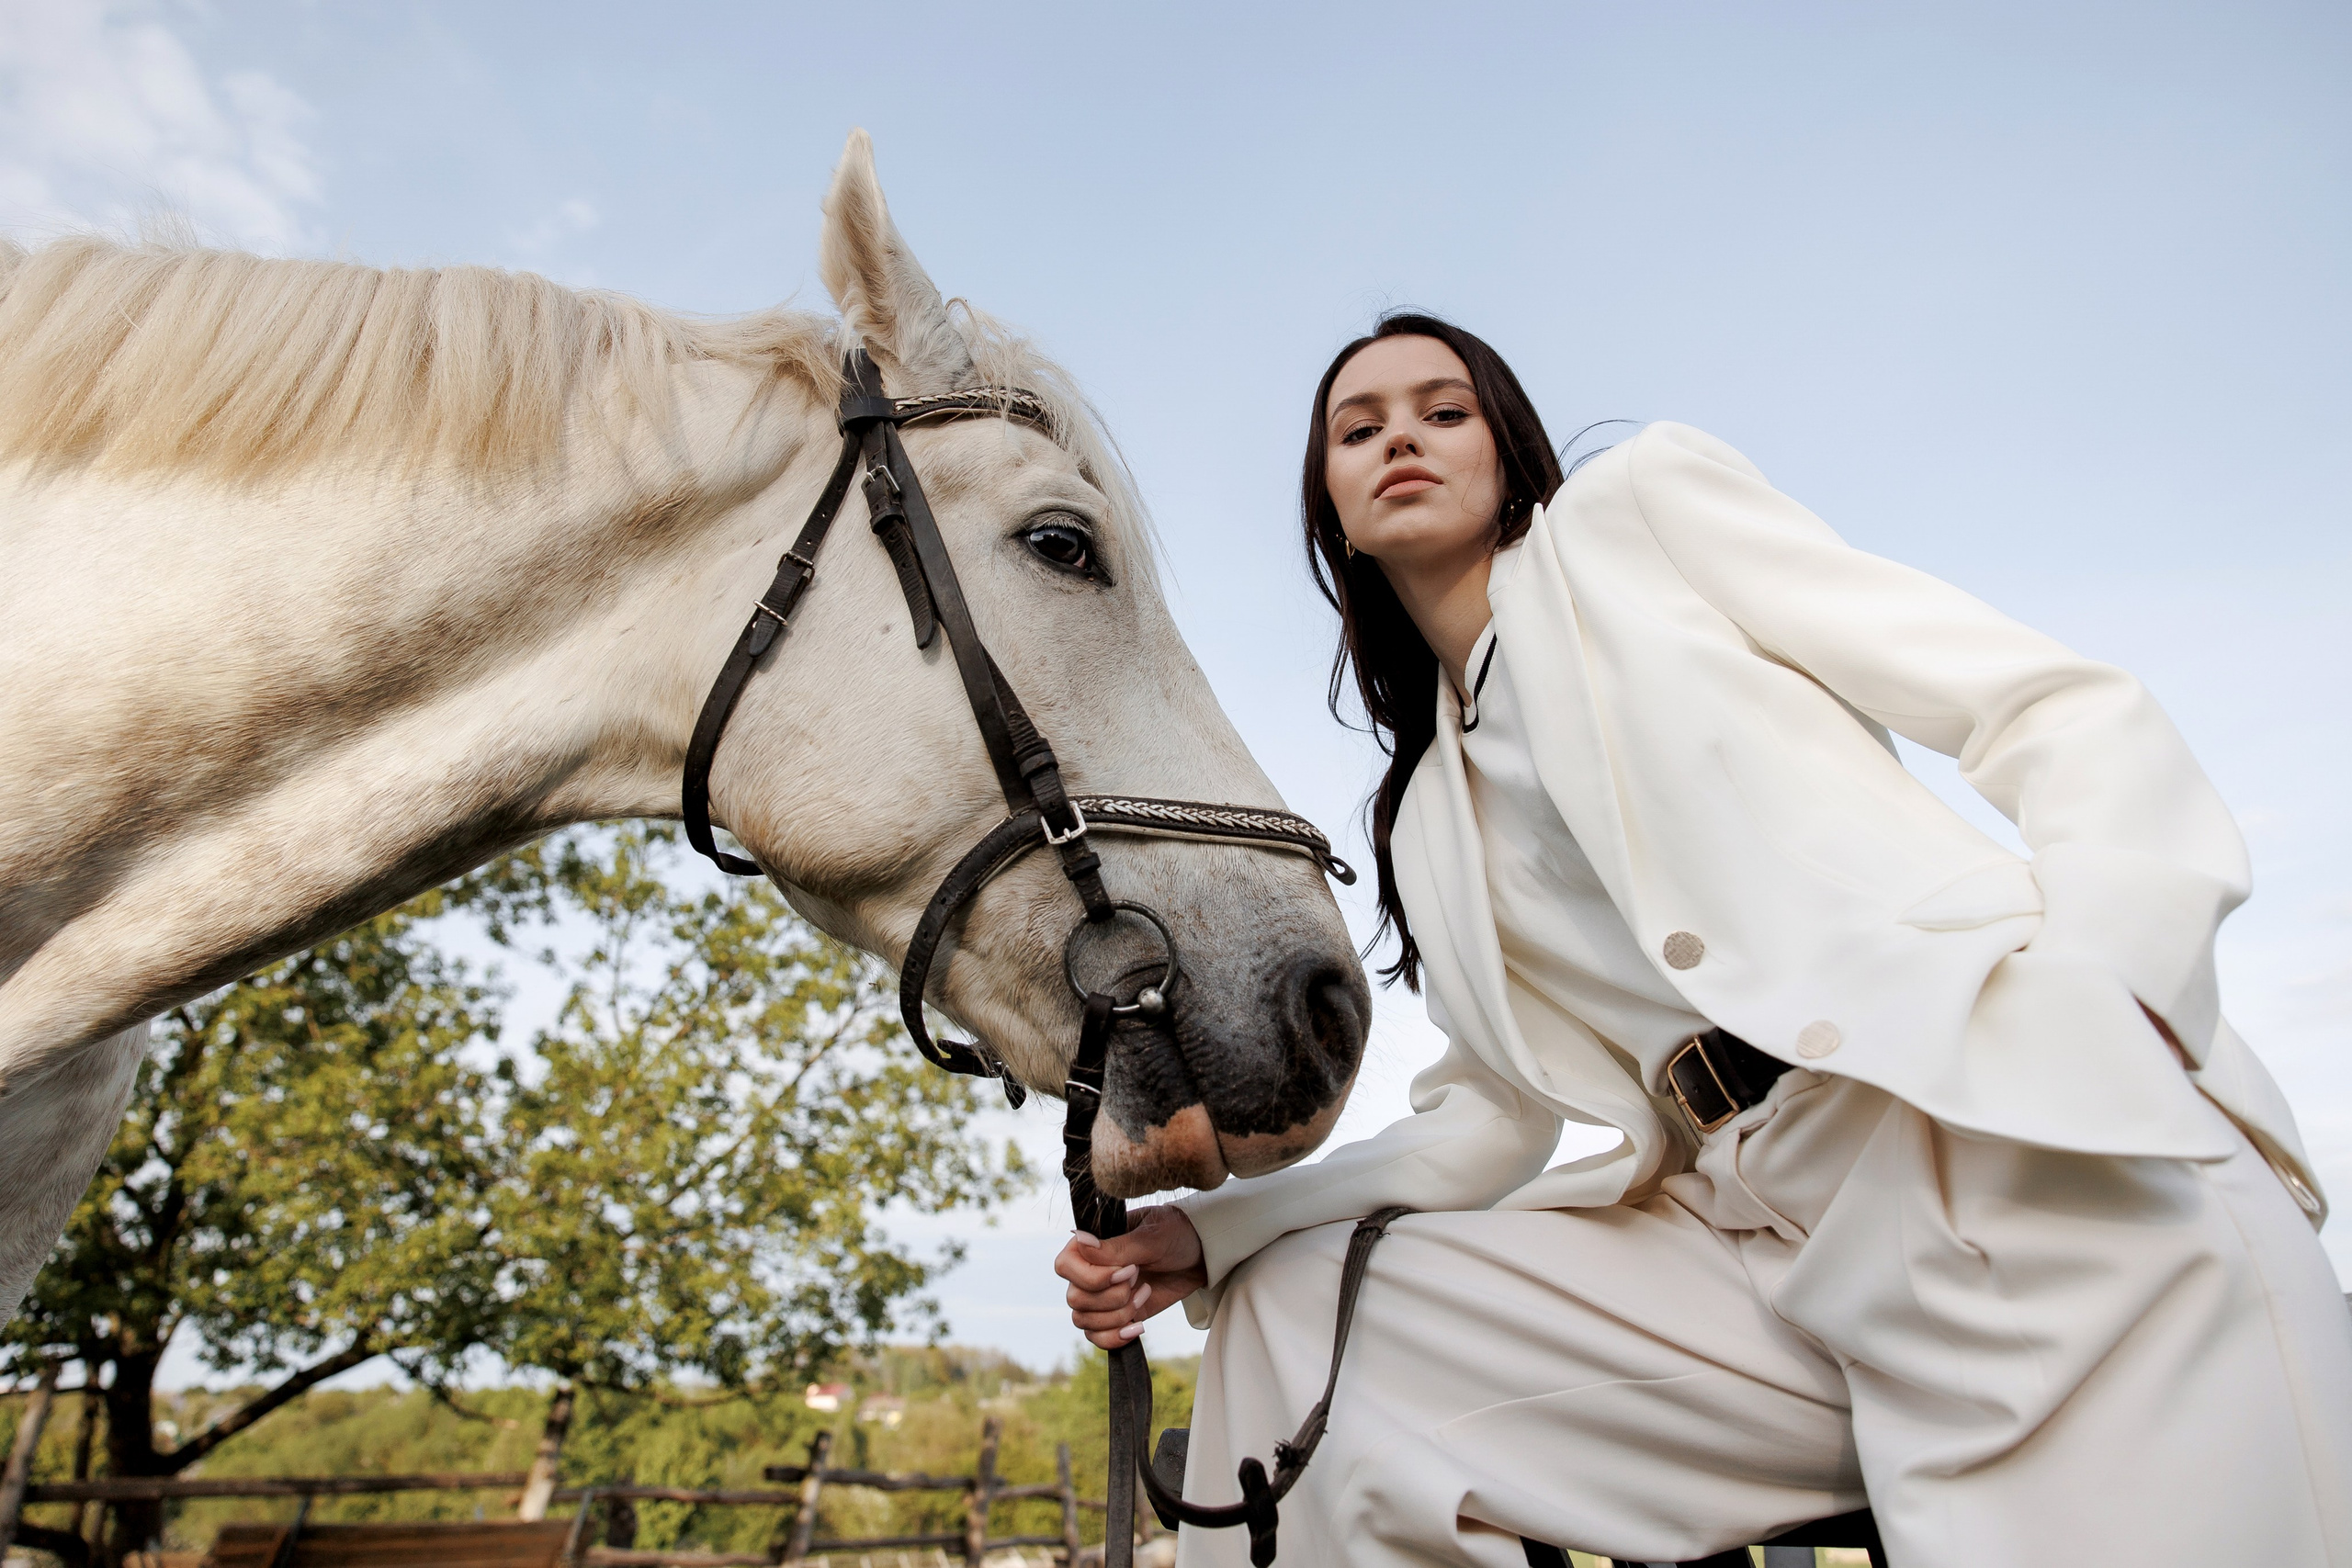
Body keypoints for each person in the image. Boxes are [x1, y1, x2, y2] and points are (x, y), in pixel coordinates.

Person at [1055, 313, 2352, 1567]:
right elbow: (1487, 1124)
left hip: (1996, 1128)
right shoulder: (1426, 815)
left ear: (1505, 452)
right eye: (1358, 429)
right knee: (1303, 1321)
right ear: (1331, 508)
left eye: (1445, 412)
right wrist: (1218, 1232)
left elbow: (2047, 707)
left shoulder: (1641, 520)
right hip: (1742, 1235)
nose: (1402, 437)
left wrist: (2116, 986)